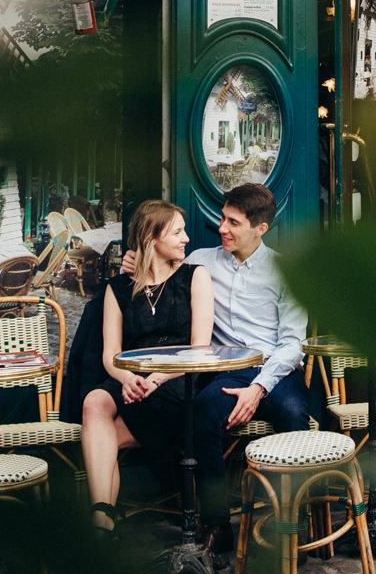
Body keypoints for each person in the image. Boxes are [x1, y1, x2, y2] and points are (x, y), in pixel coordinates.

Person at [121, 182, 308, 556]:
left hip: (274, 370)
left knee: (293, 413)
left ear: (260, 229)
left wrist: (259, 389)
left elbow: (292, 345)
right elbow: (157, 261)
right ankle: (217, 525)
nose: (221, 227)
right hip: (226, 373)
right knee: (202, 410)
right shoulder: (200, 261)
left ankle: (292, 520)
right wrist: (132, 261)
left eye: (233, 222)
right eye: (223, 218)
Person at [81, 200, 213, 534]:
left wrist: (158, 377)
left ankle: (101, 522)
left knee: (105, 437)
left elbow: (200, 348)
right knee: (94, 401)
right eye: (177, 232)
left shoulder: (195, 277)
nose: (186, 238)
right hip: (132, 378)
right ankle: (101, 515)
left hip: (179, 380)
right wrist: (126, 377)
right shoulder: (119, 288)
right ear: (151, 238)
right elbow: (111, 353)